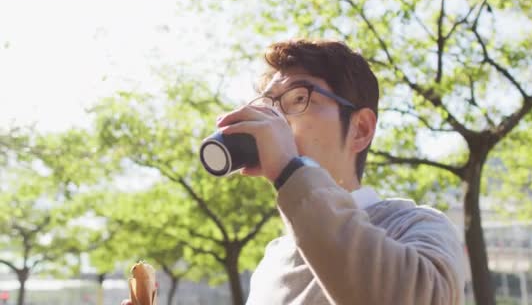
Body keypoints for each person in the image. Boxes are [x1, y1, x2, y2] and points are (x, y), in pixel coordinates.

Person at [122, 39, 466, 305]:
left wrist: (290, 169)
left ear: (360, 129)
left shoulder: (416, 226)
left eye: (298, 98)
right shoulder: (273, 260)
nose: (274, 120)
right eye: (269, 104)